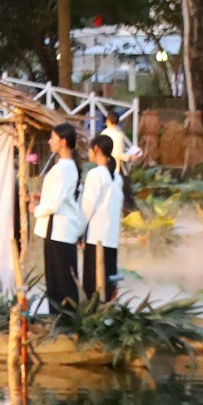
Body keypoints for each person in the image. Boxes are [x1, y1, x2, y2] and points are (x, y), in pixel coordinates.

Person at [32, 123, 88, 312]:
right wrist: (43, 199)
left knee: (60, 282)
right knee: (58, 280)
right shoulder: (66, 167)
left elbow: (54, 204)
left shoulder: (64, 168)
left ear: (63, 142)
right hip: (59, 230)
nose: (49, 141)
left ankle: (64, 321)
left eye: (52, 138)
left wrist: (36, 208)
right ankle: (60, 321)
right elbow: (61, 198)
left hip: (59, 231)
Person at [82, 129, 123, 303]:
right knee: (109, 278)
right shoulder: (117, 178)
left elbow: (87, 206)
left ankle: (94, 315)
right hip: (111, 236)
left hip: (96, 236)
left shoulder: (95, 174)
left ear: (96, 149)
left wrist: (78, 230)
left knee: (93, 283)